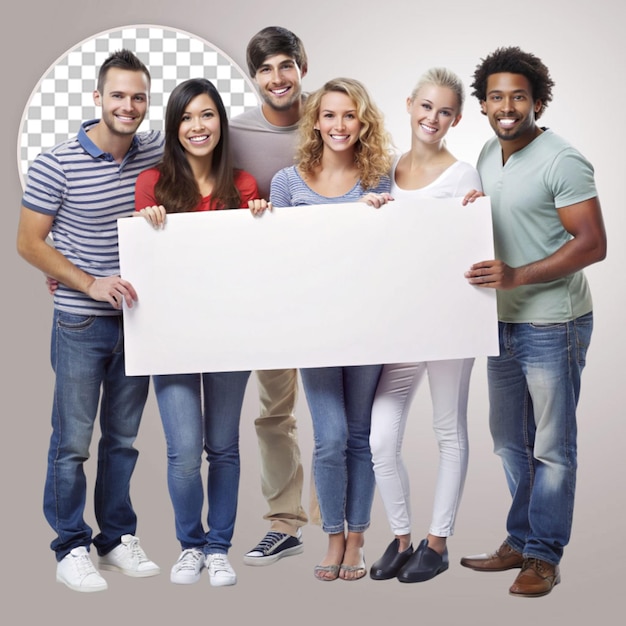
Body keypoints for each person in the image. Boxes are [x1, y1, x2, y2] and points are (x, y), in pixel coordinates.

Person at [460, 47, 606, 597]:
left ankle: (544, 556)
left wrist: (518, 276)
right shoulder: (485, 153)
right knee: (507, 441)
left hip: (554, 322)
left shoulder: (561, 159)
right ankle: (521, 539)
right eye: (496, 96)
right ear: (483, 105)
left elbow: (593, 244)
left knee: (552, 447)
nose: (506, 106)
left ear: (537, 102)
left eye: (518, 96)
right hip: (498, 323)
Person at [16, 49, 163, 593]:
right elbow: (28, 243)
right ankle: (70, 545)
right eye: (118, 96)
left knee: (123, 440)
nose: (129, 106)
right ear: (97, 98)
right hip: (81, 322)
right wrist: (86, 280)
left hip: (140, 323)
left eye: (139, 97)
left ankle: (116, 537)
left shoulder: (155, 149)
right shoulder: (56, 162)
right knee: (73, 440)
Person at [135, 78, 268, 587]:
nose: (197, 126)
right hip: (169, 337)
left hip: (228, 331)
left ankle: (219, 547)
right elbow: (147, 264)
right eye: (187, 117)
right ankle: (190, 544)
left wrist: (259, 223)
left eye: (207, 115)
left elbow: (250, 264)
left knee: (224, 446)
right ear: (174, 127)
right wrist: (146, 223)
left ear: (220, 123)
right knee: (184, 452)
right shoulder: (152, 184)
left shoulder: (245, 186)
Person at [269, 77, 393, 581]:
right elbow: (276, 257)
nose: (339, 125)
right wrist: (262, 218)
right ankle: (333, 535)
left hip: (369, 324)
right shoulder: (288, 182)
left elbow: (398, 250)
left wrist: (382, 218)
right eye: (330, 115)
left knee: (360, 435)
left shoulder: (379, 179)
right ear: (315, 121)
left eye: (349, 116)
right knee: (331, 435)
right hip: (315, 327)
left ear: (363, 122)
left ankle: (358, 538)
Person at [367, 68, 481, 584]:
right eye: (426, 106)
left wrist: (481, 217)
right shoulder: (386, 170)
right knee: (379, 438)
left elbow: (472, 245)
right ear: (410, 105)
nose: (432, 118)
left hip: (450, 322)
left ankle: (436, 544)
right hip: (402, 323)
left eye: (444, 111)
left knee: (447, 431)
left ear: (455, 119)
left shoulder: (463, 176)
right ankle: (401, 537)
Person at [229, 26, 310, 566]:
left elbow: (385, 175)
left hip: (336, 289)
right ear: (253, 76)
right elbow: (177, 169)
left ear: (303, 65)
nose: (277, 79)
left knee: (345, 418)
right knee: (274, 412)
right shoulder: (234, 131)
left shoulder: (335, 115)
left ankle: (347, 528)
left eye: (285, 65)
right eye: (264, 69)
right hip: (266, 296)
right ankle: (284, 522)